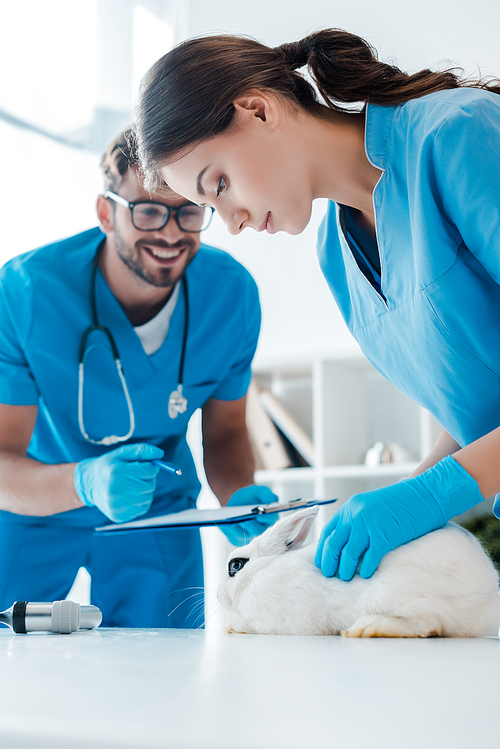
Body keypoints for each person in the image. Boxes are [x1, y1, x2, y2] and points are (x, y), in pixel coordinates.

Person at [132, 29, 500, 582]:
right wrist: (407, 498)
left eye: (221, 183)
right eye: (210, 206)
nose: (231, 223)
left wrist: (433, 494)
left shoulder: (456, 136)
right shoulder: (336, 254)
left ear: (257, 110)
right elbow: (475, 401)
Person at [0, 128, 277, 627]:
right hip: (34, 501)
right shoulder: (26, 293)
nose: (171, 233)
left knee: (163, 672)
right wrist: (84, 481)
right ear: (106, 214)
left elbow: (227, 430)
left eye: (188, 210)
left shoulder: (229, 295)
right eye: (147, 211)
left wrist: (237, 496)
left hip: (157, 507)